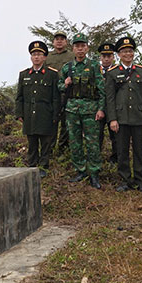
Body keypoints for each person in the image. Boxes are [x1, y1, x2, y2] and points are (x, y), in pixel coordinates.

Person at [58, 33, 105, 189]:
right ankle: (81, 170)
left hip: (90, 109)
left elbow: (102, 89)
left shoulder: (94, 66)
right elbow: (59, 86)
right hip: (72, 110)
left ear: (87, 48)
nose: (79, 49)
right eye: (77, 46)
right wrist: (65, 84)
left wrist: (101, 109)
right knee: (75, 142)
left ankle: (94, 173)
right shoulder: (67, 67)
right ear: (73, 48)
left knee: (92, 143)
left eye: (82, 46)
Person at [106, 36, 142, 194]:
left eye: (130, 51)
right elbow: (110, 98)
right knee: (122, 151)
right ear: (119, 54)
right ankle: (125, 180)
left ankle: (140, 181)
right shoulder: (112, 73)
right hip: (121, 118)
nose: (128, 54)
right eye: (124, 51)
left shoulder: (141, 71)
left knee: (139, 151)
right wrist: (112, 119)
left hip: (139, 117)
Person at [15, 40, 61, 177]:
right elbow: (19, 97)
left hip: (45, 113)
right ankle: (32, 166)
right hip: (30, 114)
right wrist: (19, 114)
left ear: (45, 57)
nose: (36, 57)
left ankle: (43, 167)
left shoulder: (52, 74)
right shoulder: (24, 74)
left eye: (39, 54)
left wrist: (55, 115)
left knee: (46, 143)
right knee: (32, 142)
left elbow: (56, 97)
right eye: (34, 54)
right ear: (31, 57)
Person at [45, 31, 75, 153]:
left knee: (65, 123)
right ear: (53, 42)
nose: (59, 41)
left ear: (66, 42)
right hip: (51, 94)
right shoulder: (47, 56)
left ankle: (63, 149)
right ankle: (50, 150)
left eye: (62, 39)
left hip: (67, 93)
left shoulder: (72, 56)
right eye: (57, 39)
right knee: (51, 122)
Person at [97, 41, 118, 163]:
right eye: (104, 56)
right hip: (98, 108)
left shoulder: (117, 70)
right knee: (97, 134)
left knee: (115, 135)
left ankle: (115, 158)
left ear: (113, 57)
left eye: (109, 56)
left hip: (113, 108)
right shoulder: (96, 70)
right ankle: (96, 158)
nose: (106, 59)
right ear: (100, 57)